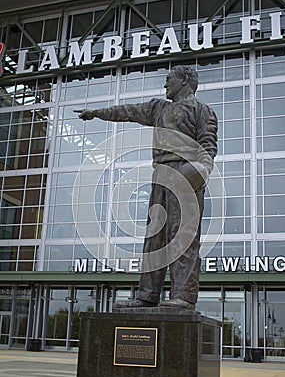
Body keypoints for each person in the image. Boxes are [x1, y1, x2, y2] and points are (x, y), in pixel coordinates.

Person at [77, 66, 217, 310]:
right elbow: (127, 111)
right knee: (155, 238)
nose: (165, 85)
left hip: (186, 175)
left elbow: (208, 146)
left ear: (184, 80)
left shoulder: (202, 110)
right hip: (161, 175)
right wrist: (97, 113)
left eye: (169, 80)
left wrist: (201, 171)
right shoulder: (158, 108)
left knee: (182, 237)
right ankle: (147, 294)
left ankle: (183, 296)